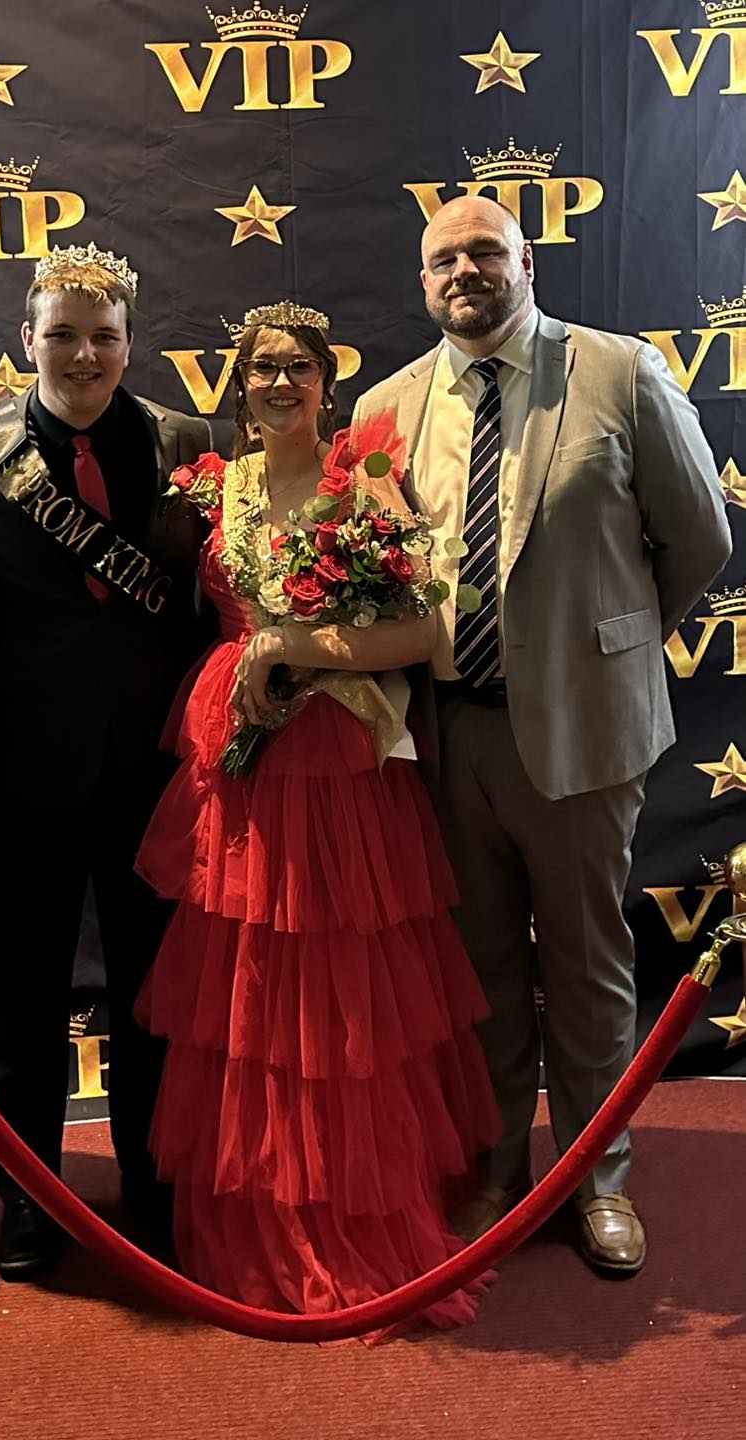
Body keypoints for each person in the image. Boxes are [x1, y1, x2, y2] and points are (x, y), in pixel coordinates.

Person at [351, 195, 732, 1276]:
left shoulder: (618, 373)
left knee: (585, 961)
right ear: (420, 282)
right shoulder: (385, 408)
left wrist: (603, 650)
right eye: (440, 260)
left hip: (578, 732)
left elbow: (696, 537)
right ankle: (493, 1173)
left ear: (526, 261)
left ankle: (594, 1174)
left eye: (483, 251)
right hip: (442, 737)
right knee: (472, 968)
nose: (461, 271)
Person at [133, 300, 501, 1331]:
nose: (279, 383)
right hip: (237, 768)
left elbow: (423, 630)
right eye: (260, 369)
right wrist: (256, 659)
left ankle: (352, 1211)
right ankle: (256, 1215)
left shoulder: (362, 484)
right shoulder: (217, 486)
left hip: (341, 768)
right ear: (237, 387)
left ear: (325, 385)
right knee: (248, 997)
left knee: (341, 1000)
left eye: (297, 367)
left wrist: (297, 649)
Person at [0, 243, 214, 1280]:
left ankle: (152, 1189)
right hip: (25, 781)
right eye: (60, 334)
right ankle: (28, 1202)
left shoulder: (192, 444)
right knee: (23, 1008)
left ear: (130, 343)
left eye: (103, 336)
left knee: (154, 1002)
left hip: (157, 780)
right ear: (26, 341)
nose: (83, 354)